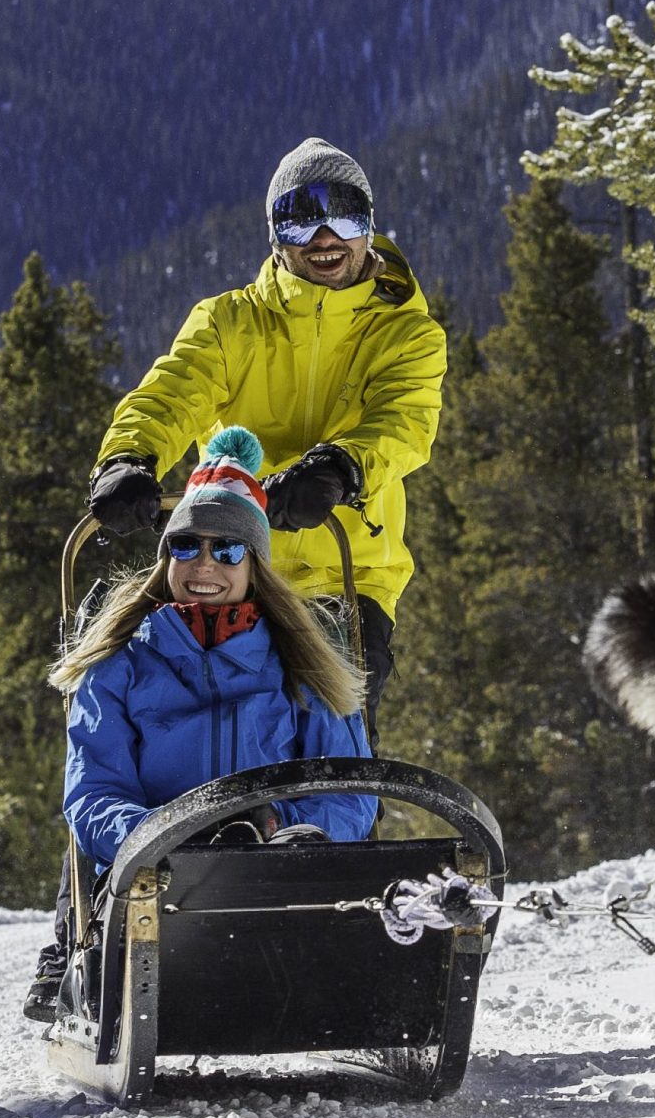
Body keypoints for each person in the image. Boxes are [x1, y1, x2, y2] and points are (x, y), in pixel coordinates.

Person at [84, 138, 445, 726]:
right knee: (184, 725)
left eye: (345, 215)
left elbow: (403, 422)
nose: (325, 238)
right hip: (228, 565)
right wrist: (128, 457)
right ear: (276, 236)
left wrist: (338, 467)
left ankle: (333, 817)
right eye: (301, 220)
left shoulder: (407, 334)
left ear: (369, 227)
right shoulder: (229, 323)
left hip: (345, 576)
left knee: (325, 734)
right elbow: (174, 393)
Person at [23, 426, 370, 1021]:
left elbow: (349, 790)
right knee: (164, 871)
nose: (205, 563)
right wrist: (154, 836)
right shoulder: (119, 665)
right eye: (187, 546)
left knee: (288, 857)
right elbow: (94, 791)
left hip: (275, 868)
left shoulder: (303, 665)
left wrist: (286, 824)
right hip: (157, 874)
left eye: (228, 550)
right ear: (167, 558)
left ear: (255, 565)